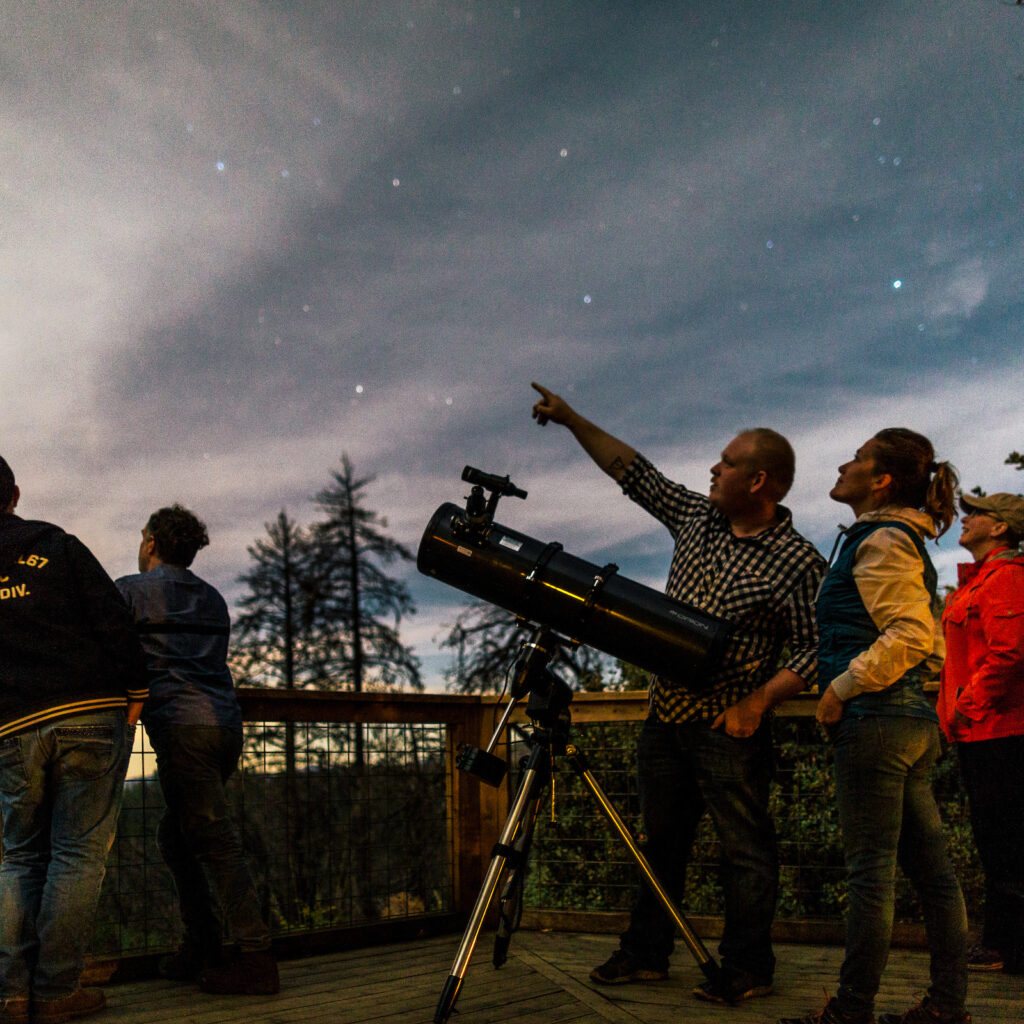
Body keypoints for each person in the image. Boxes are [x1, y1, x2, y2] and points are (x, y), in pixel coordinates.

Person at [530, 382, 826, 1006]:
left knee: (746, 853)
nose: (712, 469)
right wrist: (571, 418)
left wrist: (757, 703)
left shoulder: (799, 562)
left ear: (759, 481)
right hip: (664, 718)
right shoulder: (697, 518)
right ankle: (646, 953)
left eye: (726, 462)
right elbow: (633, 472)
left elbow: (814, 648)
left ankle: (748, 967)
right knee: (659, 842)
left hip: (730, 729)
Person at [781, 429, 970, 1024]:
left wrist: (839, 688)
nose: (843, 463)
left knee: (871, 875)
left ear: (882, 478)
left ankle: (851, 1010)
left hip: (877, 722)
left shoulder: (884, 539)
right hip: (909, 721)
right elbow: (931, 644)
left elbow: (913, 635)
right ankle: (946, 1007)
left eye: (857, 457)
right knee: (934, 876)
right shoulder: (899, 539)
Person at [0, 456, 148, 1024]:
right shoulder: (54, 543)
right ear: (13, 492)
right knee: (77, 856)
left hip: (11, 728)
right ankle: (56, 993)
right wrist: (136, 688)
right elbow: (111, 616)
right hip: (88, 710)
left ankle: (11, 997)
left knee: (17, 858)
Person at [115, 504, 278, 996]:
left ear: (151, 543)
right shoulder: (213, 598)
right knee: (176, 834)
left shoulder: (130, 592)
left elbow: (113, 654)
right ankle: (203, 942)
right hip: (225, 727)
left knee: (215, 842)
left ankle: (255, 957)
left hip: (182, 730)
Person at [938, 492, 1024, 976]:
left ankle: (1009, 949)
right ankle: (1001, 944)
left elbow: (1009, 654)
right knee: (996, 841)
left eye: (976, 513)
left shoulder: (1007, 578)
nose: (965, 519)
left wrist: (967, 706)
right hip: (981, 733)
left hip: (999, 732)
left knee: (1006, 840)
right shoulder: (983, 581)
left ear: (1000, 529)